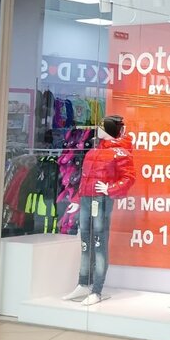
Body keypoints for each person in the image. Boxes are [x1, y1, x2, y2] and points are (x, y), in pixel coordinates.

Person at [62, 115, 136, 306]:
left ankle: (97, 289)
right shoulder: (93, 152)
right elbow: (84, 179)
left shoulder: (120, 153)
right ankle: (83, 283)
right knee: (85, 243)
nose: (98, 129)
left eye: (102, 127)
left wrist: (110, 189)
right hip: (87, 200)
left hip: (101, 201)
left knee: (99, 244)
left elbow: (129, 177)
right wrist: (77, 200)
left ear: (109, 129)